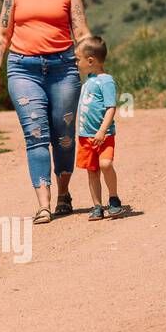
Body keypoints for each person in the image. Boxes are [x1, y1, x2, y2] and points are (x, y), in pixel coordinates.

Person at [0, 0, 91, 225]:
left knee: (64, 135)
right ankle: (43, 204)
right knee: (36, 134)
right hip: (23, 68)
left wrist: (95, 70)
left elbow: (81, 32)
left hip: (63, 68)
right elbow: (2, 32)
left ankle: (63, 194)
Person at [73, 35, 125, 220]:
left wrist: (102, 130)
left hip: (104, 135)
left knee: (105, 164)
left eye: (77, 59)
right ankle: (97, 206)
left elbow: (111, 107)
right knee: (92, 171)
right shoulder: (89, 80)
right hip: (85, 136)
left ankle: (114, 198)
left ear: (90, 60)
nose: (76, 63)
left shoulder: (106, 81)